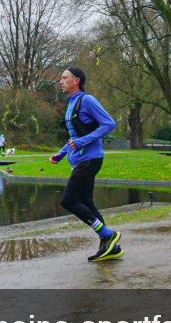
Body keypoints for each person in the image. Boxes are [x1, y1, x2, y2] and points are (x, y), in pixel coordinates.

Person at [49, 66, 121, 261]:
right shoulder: (71, 103)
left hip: (90, 159)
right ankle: (110, 246)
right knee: (87, 202)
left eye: (64, 78)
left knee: (68, 200)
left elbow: (109, 124)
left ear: (76, 81)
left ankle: (108, 235)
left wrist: (82, 142)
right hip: (80, 159)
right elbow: (74, 135)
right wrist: (61, 153)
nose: (60, 81)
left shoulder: (86, 100)